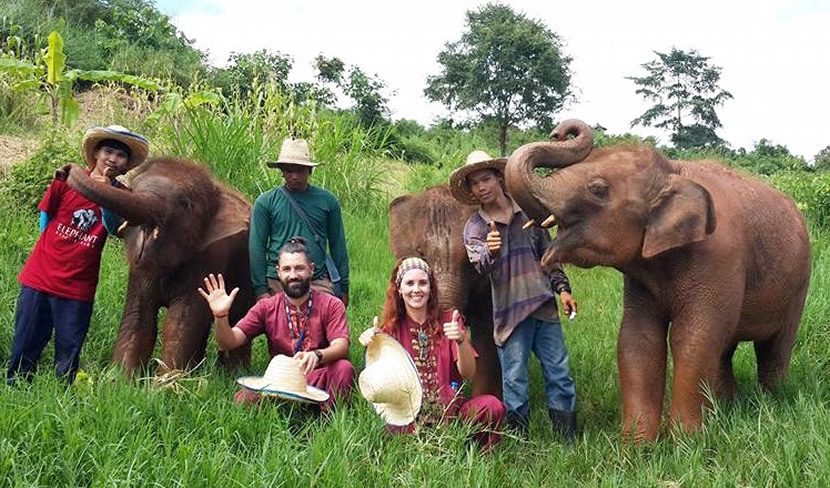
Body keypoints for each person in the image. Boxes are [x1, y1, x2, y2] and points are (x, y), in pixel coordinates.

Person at [450, 150, 580, 443]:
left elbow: (548, 255)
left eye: (486, 179)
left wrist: (563, 289)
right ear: (471, 191)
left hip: (543, 306)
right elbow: (479, 263)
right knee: (515, 380)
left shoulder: (527, 212)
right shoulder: (476, 227)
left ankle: (567, 439)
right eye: (474, 184)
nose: (482, 187)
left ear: (499, 178)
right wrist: (491, 250)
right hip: (510, 315)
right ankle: (520, 440)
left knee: (559, 374)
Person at [7, 125, 149, 384]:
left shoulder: (123, 196)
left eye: (120, 155)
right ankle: (16, 387)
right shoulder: (67, 180)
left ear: (127, 164)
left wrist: (107, 193)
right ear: (95, 153)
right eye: (108, 151)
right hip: (39, 277)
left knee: (68, 353)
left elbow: (114, 229)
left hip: (78, 286)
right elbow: (46, 215)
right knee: (25, 344)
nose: (113, 158)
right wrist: (45, 252)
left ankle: (64, 397)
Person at [359, 256, 505, 451]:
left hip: (451, 416)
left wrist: (461, 341)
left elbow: (468, 373)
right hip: (409, 418)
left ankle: (471, 452)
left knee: (492, 406)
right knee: (388, 430)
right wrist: (372, 345)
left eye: (422, 283)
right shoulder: (390, 331)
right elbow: (378, 386)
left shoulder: (449, 321)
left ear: (431, 288)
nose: (416, 289)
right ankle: (420, 447)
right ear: (400, 290)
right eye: (409, 283)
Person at [200, 236, 353, 412]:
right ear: (278, 272)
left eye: (299, 268)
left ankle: (324, 420)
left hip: (317, 378)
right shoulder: (266, 307)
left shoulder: (331, 304)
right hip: (280, 382)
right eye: (287, 269)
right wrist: (221, 315)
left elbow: (341, 346)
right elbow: (228, 342)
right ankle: (279, 413)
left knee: (344, 369)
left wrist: (317, 355)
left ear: (311, 270)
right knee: (243, 399)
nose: (293, 275)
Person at [249, 138, 349, 307]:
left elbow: (338, 245)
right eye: (288, 170)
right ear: (281, 171)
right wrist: (260, 290)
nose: (294, 176)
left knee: (320, 328)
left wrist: (344, 286)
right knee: (282, 331)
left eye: (300, 170)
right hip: (278, 280)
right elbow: (257, 247)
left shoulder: (328, 201)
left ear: (309, 170)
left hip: (316, 278)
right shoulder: (266, 202)